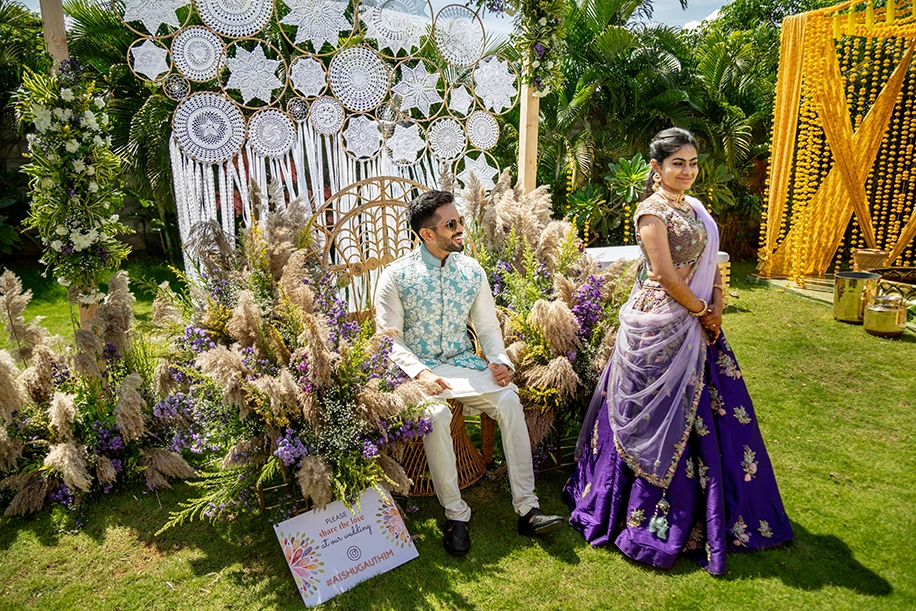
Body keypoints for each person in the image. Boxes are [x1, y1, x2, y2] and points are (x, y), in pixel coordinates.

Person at [563, 128, 793, 574]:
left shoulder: (695, 207)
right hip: (661, 323)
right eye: (677, 163)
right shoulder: (651, 213)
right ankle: (638, 513)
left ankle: (716, 512)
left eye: (692, 162)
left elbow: (713, 263)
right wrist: (703, 310)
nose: (687, 171)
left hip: (697, 317)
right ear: (656, 168)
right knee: (655, 411)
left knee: (710, 408)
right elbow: (666, 275)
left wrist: (716, 305)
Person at [374, 190, 566, 556]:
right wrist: (421, 374)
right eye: (451, 224)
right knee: (436, 414)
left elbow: (488, 327)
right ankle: (456, 515)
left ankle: (528, 509)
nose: (461, 228)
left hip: (464, 364)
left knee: (509, 401)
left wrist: (499, 360)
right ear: (427, 234)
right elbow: (389, 341)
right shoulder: (396, 277)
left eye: (459, 220)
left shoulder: (471, 271)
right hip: (417, 373)